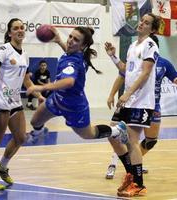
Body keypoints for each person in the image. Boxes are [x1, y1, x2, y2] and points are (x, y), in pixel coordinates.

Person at [27, 26, 128, 162]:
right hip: (58, 100)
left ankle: (117, 130)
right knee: (35, 121)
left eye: (76, 40)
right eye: (70, 37)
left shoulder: (74, 61)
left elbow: (69, 81)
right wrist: (58, 41)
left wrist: (41, 87)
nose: (70, 41)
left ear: (83, 46)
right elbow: (69, 54)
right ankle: (39, 134)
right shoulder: (77, 55)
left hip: (74, 107)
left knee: (89, 134)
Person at [0, 18, 44, 191]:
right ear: (10, 33)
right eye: (16, 28)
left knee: (20, 137)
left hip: (14, 100)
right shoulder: (3, 50)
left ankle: (1, 166)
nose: (20, 30)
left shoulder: (25, 55)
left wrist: (39, 95)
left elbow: (27, 80)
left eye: (22, 28)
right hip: (0, 99)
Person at [103, 13, 161, 197]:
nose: (141, 23)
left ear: (152, 29)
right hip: (129, 102)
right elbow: (125, 70)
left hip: (141, 101)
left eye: (146, 23)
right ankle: (130, 173)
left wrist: (127, 94)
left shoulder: (150, 44)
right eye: (141, 20)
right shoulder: (132, 46)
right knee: (112, 135)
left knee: (132, 140)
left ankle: (139, 184)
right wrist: (113, 57)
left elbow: (145, 73)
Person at [105, 35, 177, 180]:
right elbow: (122, 75)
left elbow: (175, 79)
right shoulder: (136, 60)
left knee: (150, 140)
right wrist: (112, 94)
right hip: (131, 102)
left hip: (152, 105)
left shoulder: (164, 63)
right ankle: (114, 164)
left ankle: (134, 163)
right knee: (119, 134)